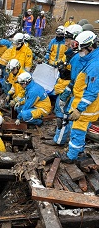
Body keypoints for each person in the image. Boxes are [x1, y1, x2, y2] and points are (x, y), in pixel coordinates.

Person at [57, 31, 99, 163]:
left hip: (86, 107)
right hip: (84, 103)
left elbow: (91, 92)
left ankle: (71, 156)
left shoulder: (94, 65)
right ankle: (79, 150)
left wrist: (79, 109)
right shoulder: (91, 59)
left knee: (77, 131)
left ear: (90, 47)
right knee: (82, 131)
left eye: (81, 49)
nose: (80, 52)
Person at [44, 24, 84, 146]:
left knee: (64, 115)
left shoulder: (78, 57)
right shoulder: (71, 53)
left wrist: (68, 90)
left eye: (68, 39)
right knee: (60, 112)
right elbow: (62, 62)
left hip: (68, 87)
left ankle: (59, 140)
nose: (66, 42)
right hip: (63, 84)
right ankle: (59, 134)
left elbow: (75, 78)